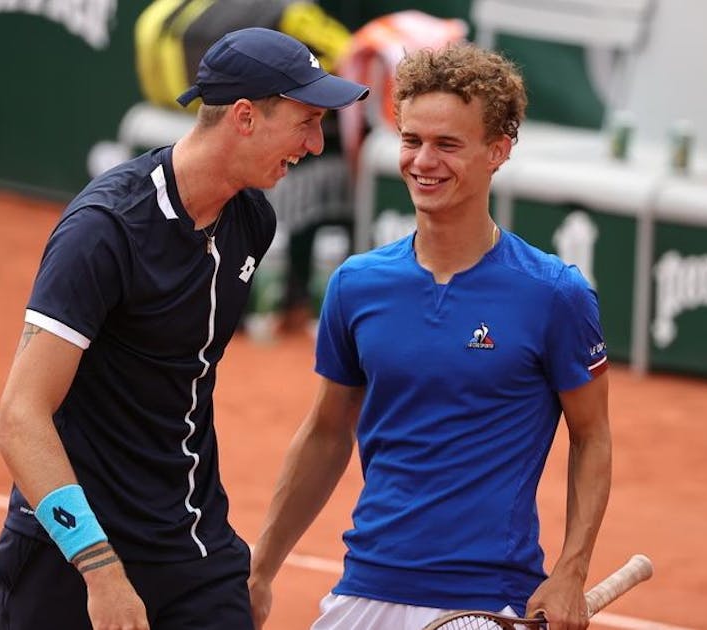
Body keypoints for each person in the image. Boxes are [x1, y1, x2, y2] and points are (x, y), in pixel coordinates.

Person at [0, 27, 368, 629]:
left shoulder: (251, 220)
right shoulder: (105, 230)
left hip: (190, 542)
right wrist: (102, 571)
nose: (316, 145)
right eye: (306, 121)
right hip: (75, 550)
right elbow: (19, 417)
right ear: (245, 116)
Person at [248, 43, 612, 630]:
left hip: (486, 597)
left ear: (498, 150)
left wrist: (571, 569)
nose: (424, 161)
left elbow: (591, 437)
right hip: (364, 586)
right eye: (412, 140)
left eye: (448, 145)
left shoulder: (555, 294)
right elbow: (324, 433)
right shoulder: (357, 285)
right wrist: (260, 569)